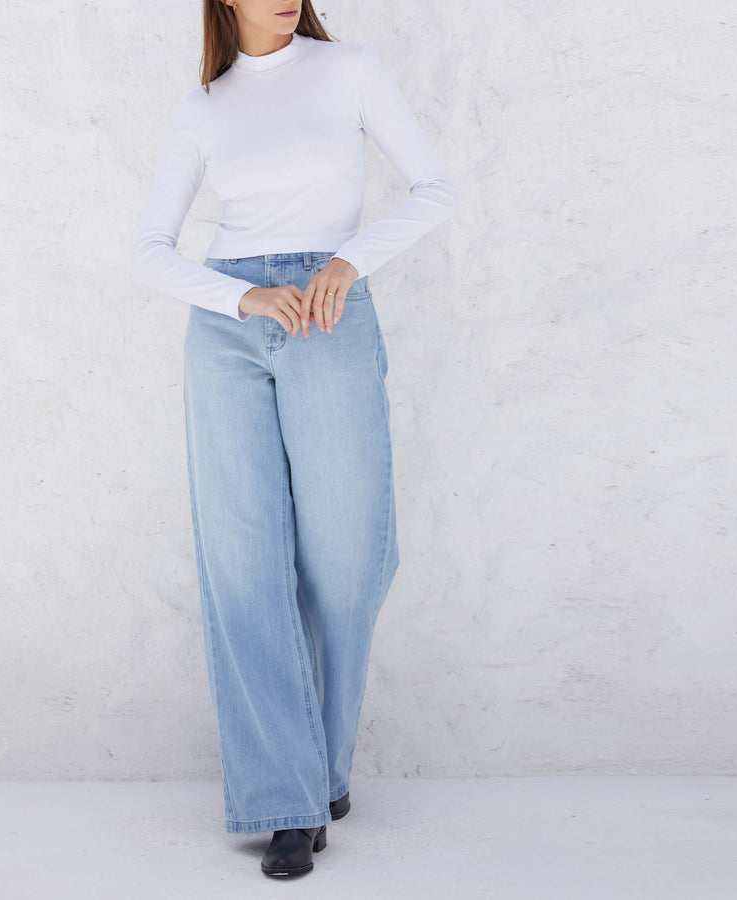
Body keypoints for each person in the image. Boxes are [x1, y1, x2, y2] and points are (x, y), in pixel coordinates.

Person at [130, 0, 458, 878]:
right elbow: (151, 248)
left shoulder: (348, 69)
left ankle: (320, 771)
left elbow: (436, 189)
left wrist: (348, 260)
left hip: (329, 311)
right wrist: (239, 298)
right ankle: (287, 799)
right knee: (243, 562)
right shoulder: (206, 106)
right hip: (230, 326)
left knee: (348, 560)